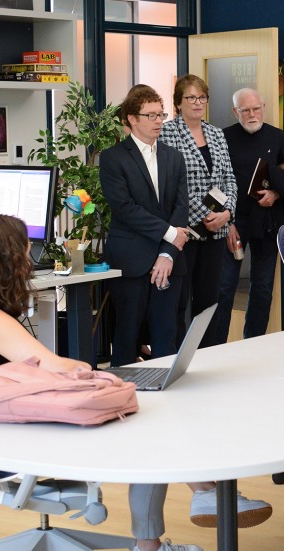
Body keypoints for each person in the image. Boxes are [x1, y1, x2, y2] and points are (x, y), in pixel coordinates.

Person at [0, 215, 272, 551]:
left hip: (24, 420)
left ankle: (188, 511)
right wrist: (96, 371)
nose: (30, 264)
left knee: (147, 422)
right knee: (148, 424)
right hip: (18, 437)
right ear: (10, 261)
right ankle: (201, 497)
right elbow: (55, 367)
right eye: (25, 255)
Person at [99, 84, 189, 365]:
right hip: (131, 261)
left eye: (160, 114)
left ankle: (168, 398)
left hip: (169, 260)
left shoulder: (174, 157)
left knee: (166, 335)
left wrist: (167, 252)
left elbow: (181, 207)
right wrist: (171, 233)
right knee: (127, 337)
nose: (158, 121)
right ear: (131, 119)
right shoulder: (113, 158)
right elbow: (125, 209)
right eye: (150, 115)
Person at [214, 87, 284, 344]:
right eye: (245, 110)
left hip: (267, 222)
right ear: (235, 111)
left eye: (256, 108)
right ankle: (217, 347)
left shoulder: (277, 137)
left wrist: (274, 193)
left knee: (262, 288)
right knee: (225, 288)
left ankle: (254, 343)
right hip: (233, 224)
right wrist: (226, 222)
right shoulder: (222, 138)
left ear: (263, 107)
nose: (252, 114)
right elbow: (214, 184)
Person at [159, 75, 238, 347]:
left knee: (210, 301)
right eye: (190, 98)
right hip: (185, 231)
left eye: (202, 97)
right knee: (179, 302)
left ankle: (209, 354)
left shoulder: (216, 133)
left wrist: (226, 214)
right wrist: (207, 215)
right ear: (178, 102)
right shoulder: (167, 132)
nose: (197, 103)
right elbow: (172, 184)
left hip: (216, 232)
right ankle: (179, 359)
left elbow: (229, 178)